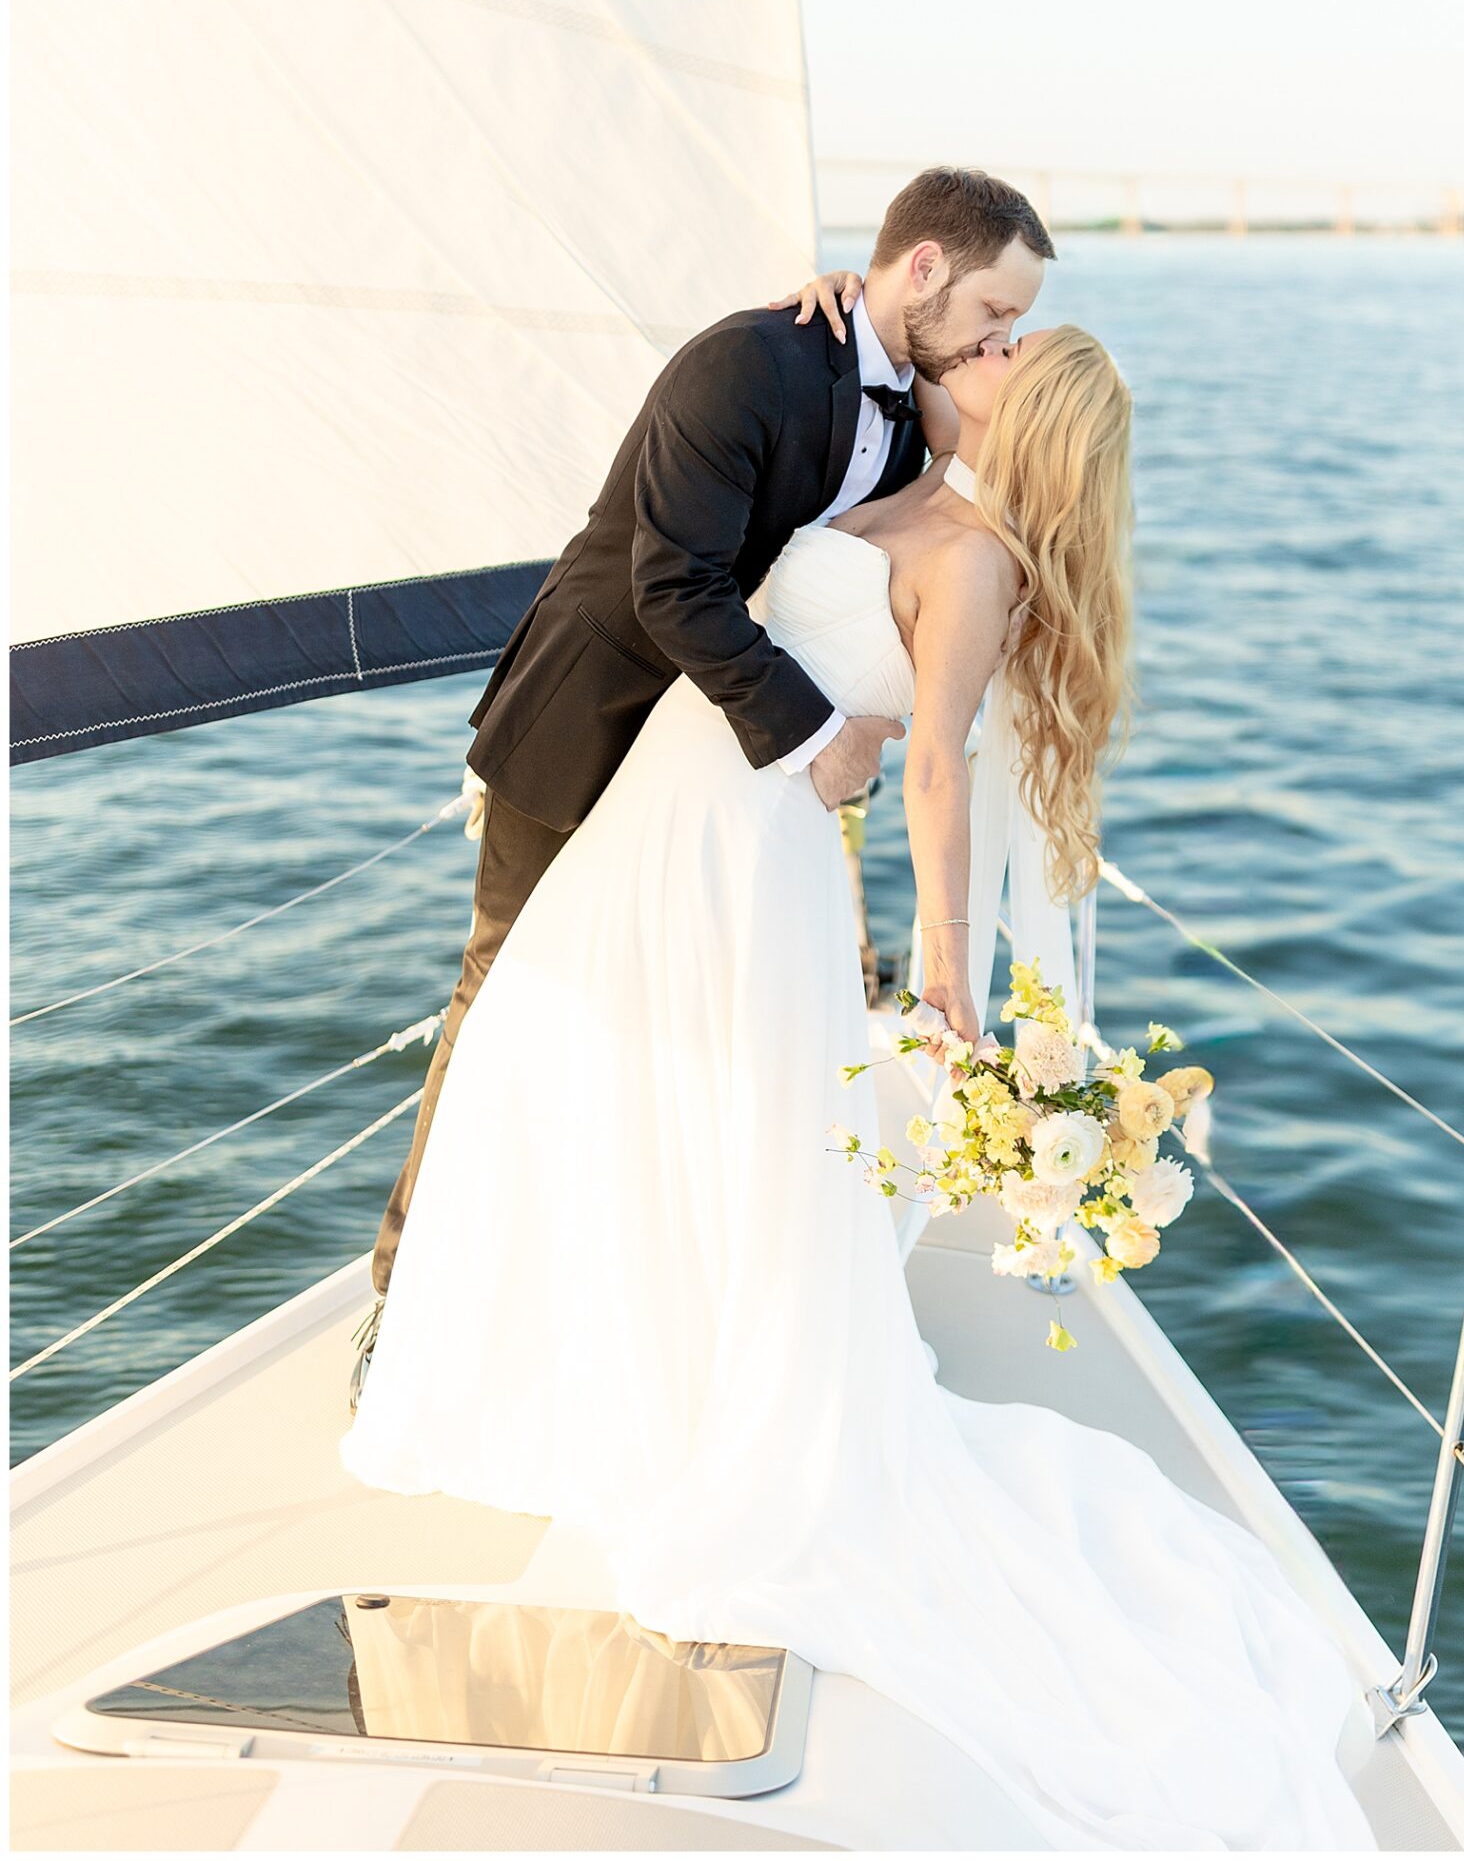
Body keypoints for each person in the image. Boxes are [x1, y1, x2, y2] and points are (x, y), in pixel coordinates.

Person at [339, 315, 1377, 1849]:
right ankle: (621, 1352)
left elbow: (942, 764)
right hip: (666, 811)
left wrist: (946, 964)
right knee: (589, 1083)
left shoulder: (974, 564)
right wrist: (845, 303)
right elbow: (825, 413)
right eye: (993, 331)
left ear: (1036, 421)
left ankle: (701, 1398)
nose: (992, 349)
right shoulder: (895, 465)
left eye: (1014, 354)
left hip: (751, 846)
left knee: (727, 1124)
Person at [350, 166, 1054, 1405]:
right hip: (598, 719)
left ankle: (613, 1294)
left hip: (724, 780)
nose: (1001, 337)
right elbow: (672, 582)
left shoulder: (909, 409)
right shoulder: (749, 362)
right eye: (995, 309)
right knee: (508, 988)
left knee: (678, 1027)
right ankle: (406, 1299)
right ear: (927, 268)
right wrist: (820, 734)